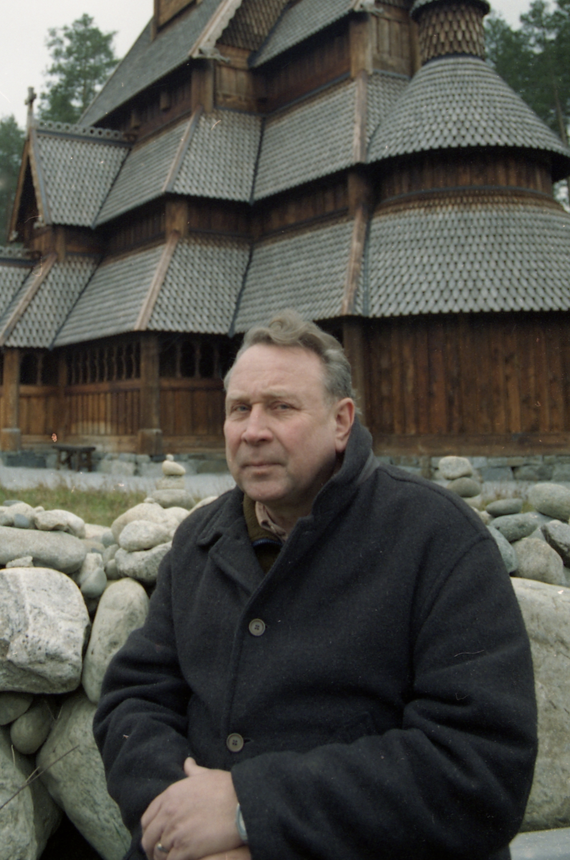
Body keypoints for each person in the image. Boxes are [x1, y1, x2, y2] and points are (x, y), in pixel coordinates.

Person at [94, 311, 538, 860]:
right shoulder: (199, 542)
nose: (253, 430)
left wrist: (249, 814)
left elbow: (481, 767)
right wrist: (177, 818)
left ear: (341, 421)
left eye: (281, 406)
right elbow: (133, 701)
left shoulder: (438, 539)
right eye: (240, 409)